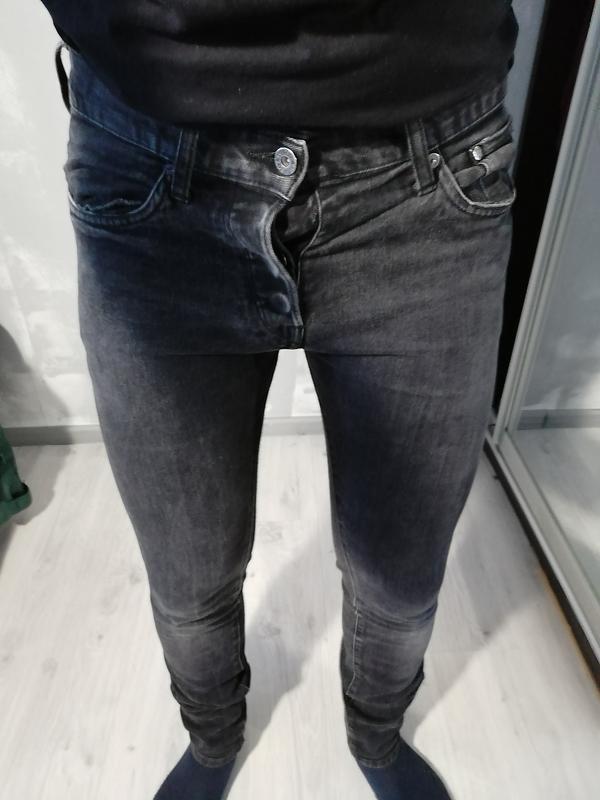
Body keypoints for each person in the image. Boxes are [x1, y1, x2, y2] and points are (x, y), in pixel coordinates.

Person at [41, 2, 520, 798]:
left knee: (400, 578)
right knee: (188, 572)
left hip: (430, 167)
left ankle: (375, 733)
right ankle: (212, 734)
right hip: (149, 156)